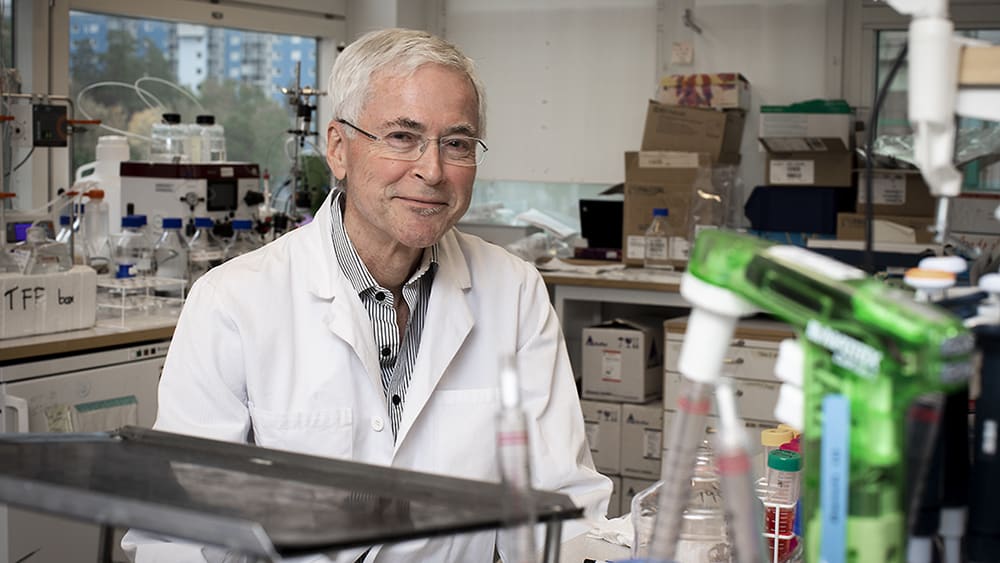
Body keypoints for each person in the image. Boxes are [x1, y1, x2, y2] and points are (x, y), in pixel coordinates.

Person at [123, 28, 611, 562]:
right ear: (338, 148)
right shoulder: (232, 302)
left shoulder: (514, 292)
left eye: (458, 144)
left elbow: (560, 506)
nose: (432, 170)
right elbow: (176, 534)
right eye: (403, 137)